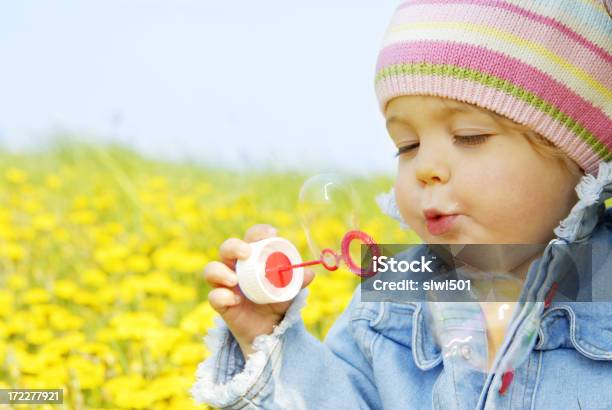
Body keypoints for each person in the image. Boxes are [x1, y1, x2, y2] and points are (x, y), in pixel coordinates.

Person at [192, 1, 612, 408]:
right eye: (407, 145)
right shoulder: (393, 295)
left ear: (578, 155)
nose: (425, 166)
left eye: (469, 135)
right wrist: (265, 338)